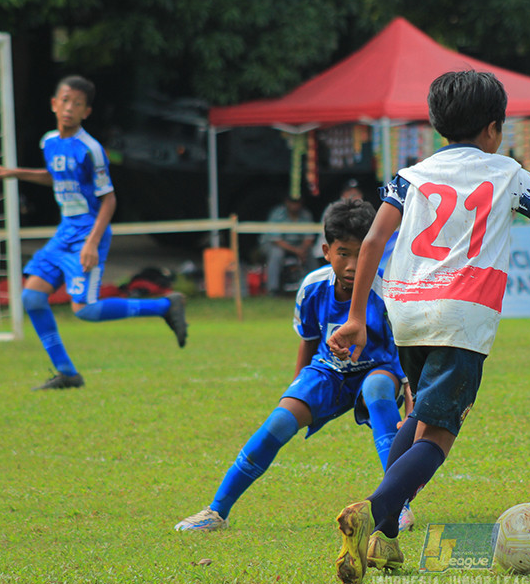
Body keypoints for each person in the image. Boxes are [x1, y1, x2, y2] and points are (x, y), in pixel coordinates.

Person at [326, 70, 530, 584]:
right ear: (494, 129)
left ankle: (384, 540)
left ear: (437, 128)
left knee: (417, 415)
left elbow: (370, 244)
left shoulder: (408, 175)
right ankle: (373, 510)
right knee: (439, 436)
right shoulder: (508, 173)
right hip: (463, 313)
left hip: (406, 310)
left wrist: (354, 318)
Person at [175, 198, 416, 533]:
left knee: (376, 390)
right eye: (343, 252)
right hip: (327, 371)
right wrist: (295, 390)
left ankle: (397, 506)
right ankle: (217, 512)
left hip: (378, 370)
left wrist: (411, 408)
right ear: (326, 250)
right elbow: (307, 341)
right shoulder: (312, 288)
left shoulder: (387, 290)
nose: (351, 264)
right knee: (277, 425)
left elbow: (408, 352)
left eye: (361, 253)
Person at [0, 75, 188, 390]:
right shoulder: (49, 141)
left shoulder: (91, 149)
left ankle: (165, 305)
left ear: (86, 112)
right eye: (65, 101)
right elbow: (56, 176)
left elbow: (109, 199)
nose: (69, 108)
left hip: (87, 233)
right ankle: (67, 373)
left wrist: (92, 243)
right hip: (65, 230)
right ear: (54, 104)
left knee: (86, 310)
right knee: (32, 297)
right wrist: (14, 173)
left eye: (77, 104)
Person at [260, 194, 316, 295]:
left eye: (297, 203)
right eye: (292, 202)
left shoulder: (305, 215)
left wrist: (302, 250)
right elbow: (276, 239)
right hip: (276, 244)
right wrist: (297, 251)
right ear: (287, 202)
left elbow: (309, 238)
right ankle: (273, 289)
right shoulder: (277, 214)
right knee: (277, 253)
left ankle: (315, 286)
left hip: (298, 245)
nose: (295, 205)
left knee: (310, 253)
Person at [312, 179, 365, 264]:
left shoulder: (363, 210)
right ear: (343, 195)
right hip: (328, 254)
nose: (353, 196)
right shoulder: (334, 208)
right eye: (350, 193)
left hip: (349, 254)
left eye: (356, 194)